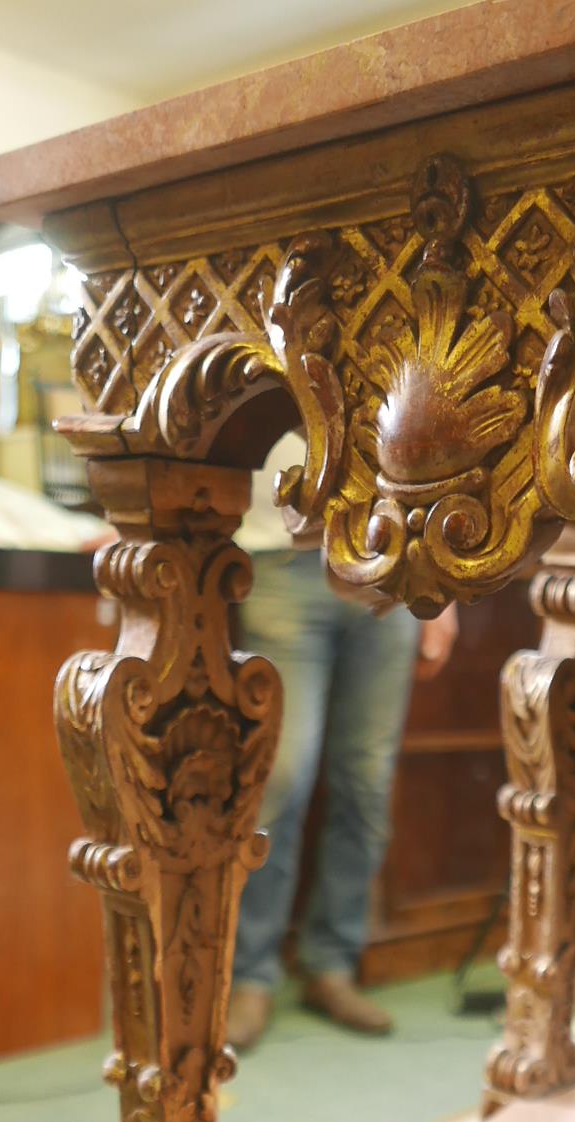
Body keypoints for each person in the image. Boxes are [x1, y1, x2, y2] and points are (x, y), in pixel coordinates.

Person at [228, 435, 458, 1051]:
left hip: (396, 562)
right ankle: (250, 974)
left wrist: (442, 582)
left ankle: (331, 962)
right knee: (283, 776)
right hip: (283, 559)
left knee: (365, 781)